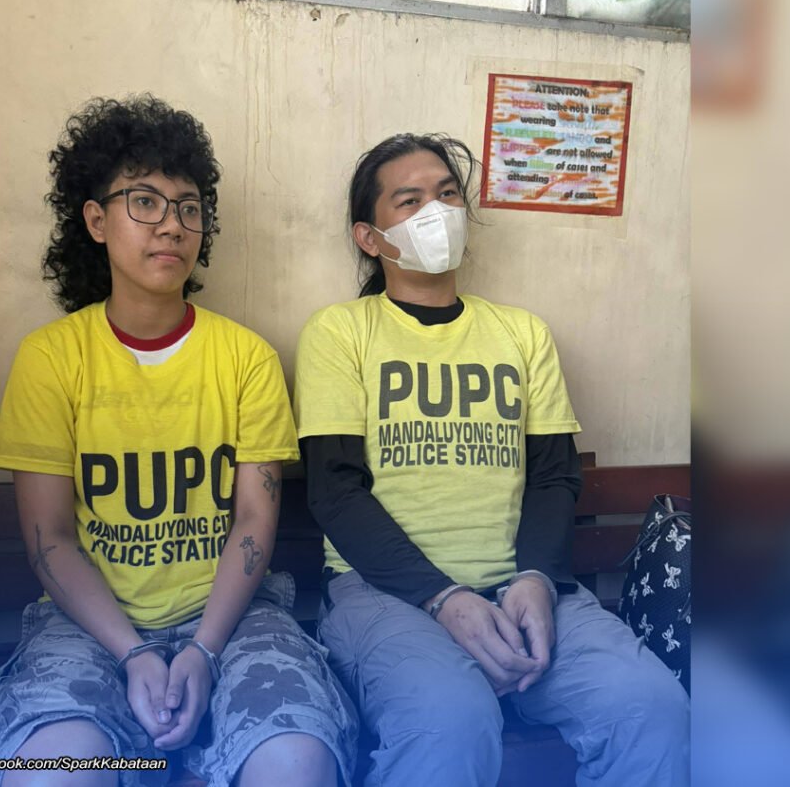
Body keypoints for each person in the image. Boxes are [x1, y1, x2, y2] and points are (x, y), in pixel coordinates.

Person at [0, 95, 356, 787]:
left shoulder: (246, 358)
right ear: (96, 220)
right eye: (144, 201)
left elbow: (254, 522)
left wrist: (203, 650)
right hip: (88, 624)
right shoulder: (51, 358)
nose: (172, 224)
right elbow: (51, 538)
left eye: (189, 208)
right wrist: (132, 653)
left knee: (296, 763)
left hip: (234, 618)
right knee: (53, 771)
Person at [293, 133, 689, 786]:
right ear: (369, 237)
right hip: (386, 594)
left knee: (650, 709)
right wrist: (442, 597)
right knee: (449, 720)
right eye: (410, 200)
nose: (437, 211)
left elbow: (553, 475)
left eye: (448, 194)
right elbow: (334, 490)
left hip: (522, 584)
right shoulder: (340, 333)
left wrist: (535, 579)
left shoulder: (521, 333)